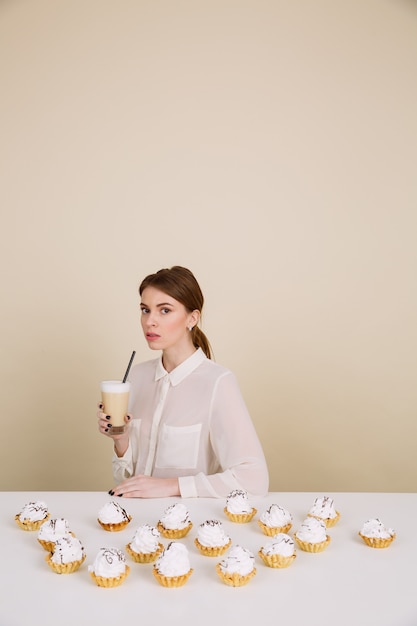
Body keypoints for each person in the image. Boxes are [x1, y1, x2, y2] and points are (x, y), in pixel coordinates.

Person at [97, 266, 269, 498]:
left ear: (192, 318)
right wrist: (121, 440)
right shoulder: (136, 376)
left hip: (188, 526)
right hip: (134, 521)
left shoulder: (218, 383)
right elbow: (127, 481)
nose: (150, 321)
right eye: (145, 310)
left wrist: (171, 486)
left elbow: (254, 479)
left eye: (165, 310)